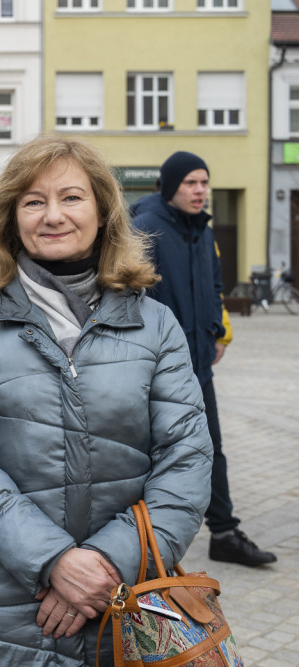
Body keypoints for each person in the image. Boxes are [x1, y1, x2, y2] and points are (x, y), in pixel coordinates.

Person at [0, 134, 213, 667]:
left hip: (126, 600)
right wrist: (53, 561)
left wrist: (105, 565)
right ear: (11, 218)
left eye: (72, 198)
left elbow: (188, 460)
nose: (53, 215)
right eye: (33, 201)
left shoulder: (156, 325)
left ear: (103, 211)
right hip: (4, 599)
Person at [133, 151, 276, 567]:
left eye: (204, 182)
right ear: (170, 186)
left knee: (210, 447)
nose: (201, 191)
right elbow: (130, 295)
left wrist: (216, 330)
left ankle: (225, 533)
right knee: (147, 456)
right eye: (191, 183)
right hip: (154, 369)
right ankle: (141, 546)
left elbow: (215, 284)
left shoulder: (201, 229)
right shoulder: (145, 229)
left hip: (198, 365)